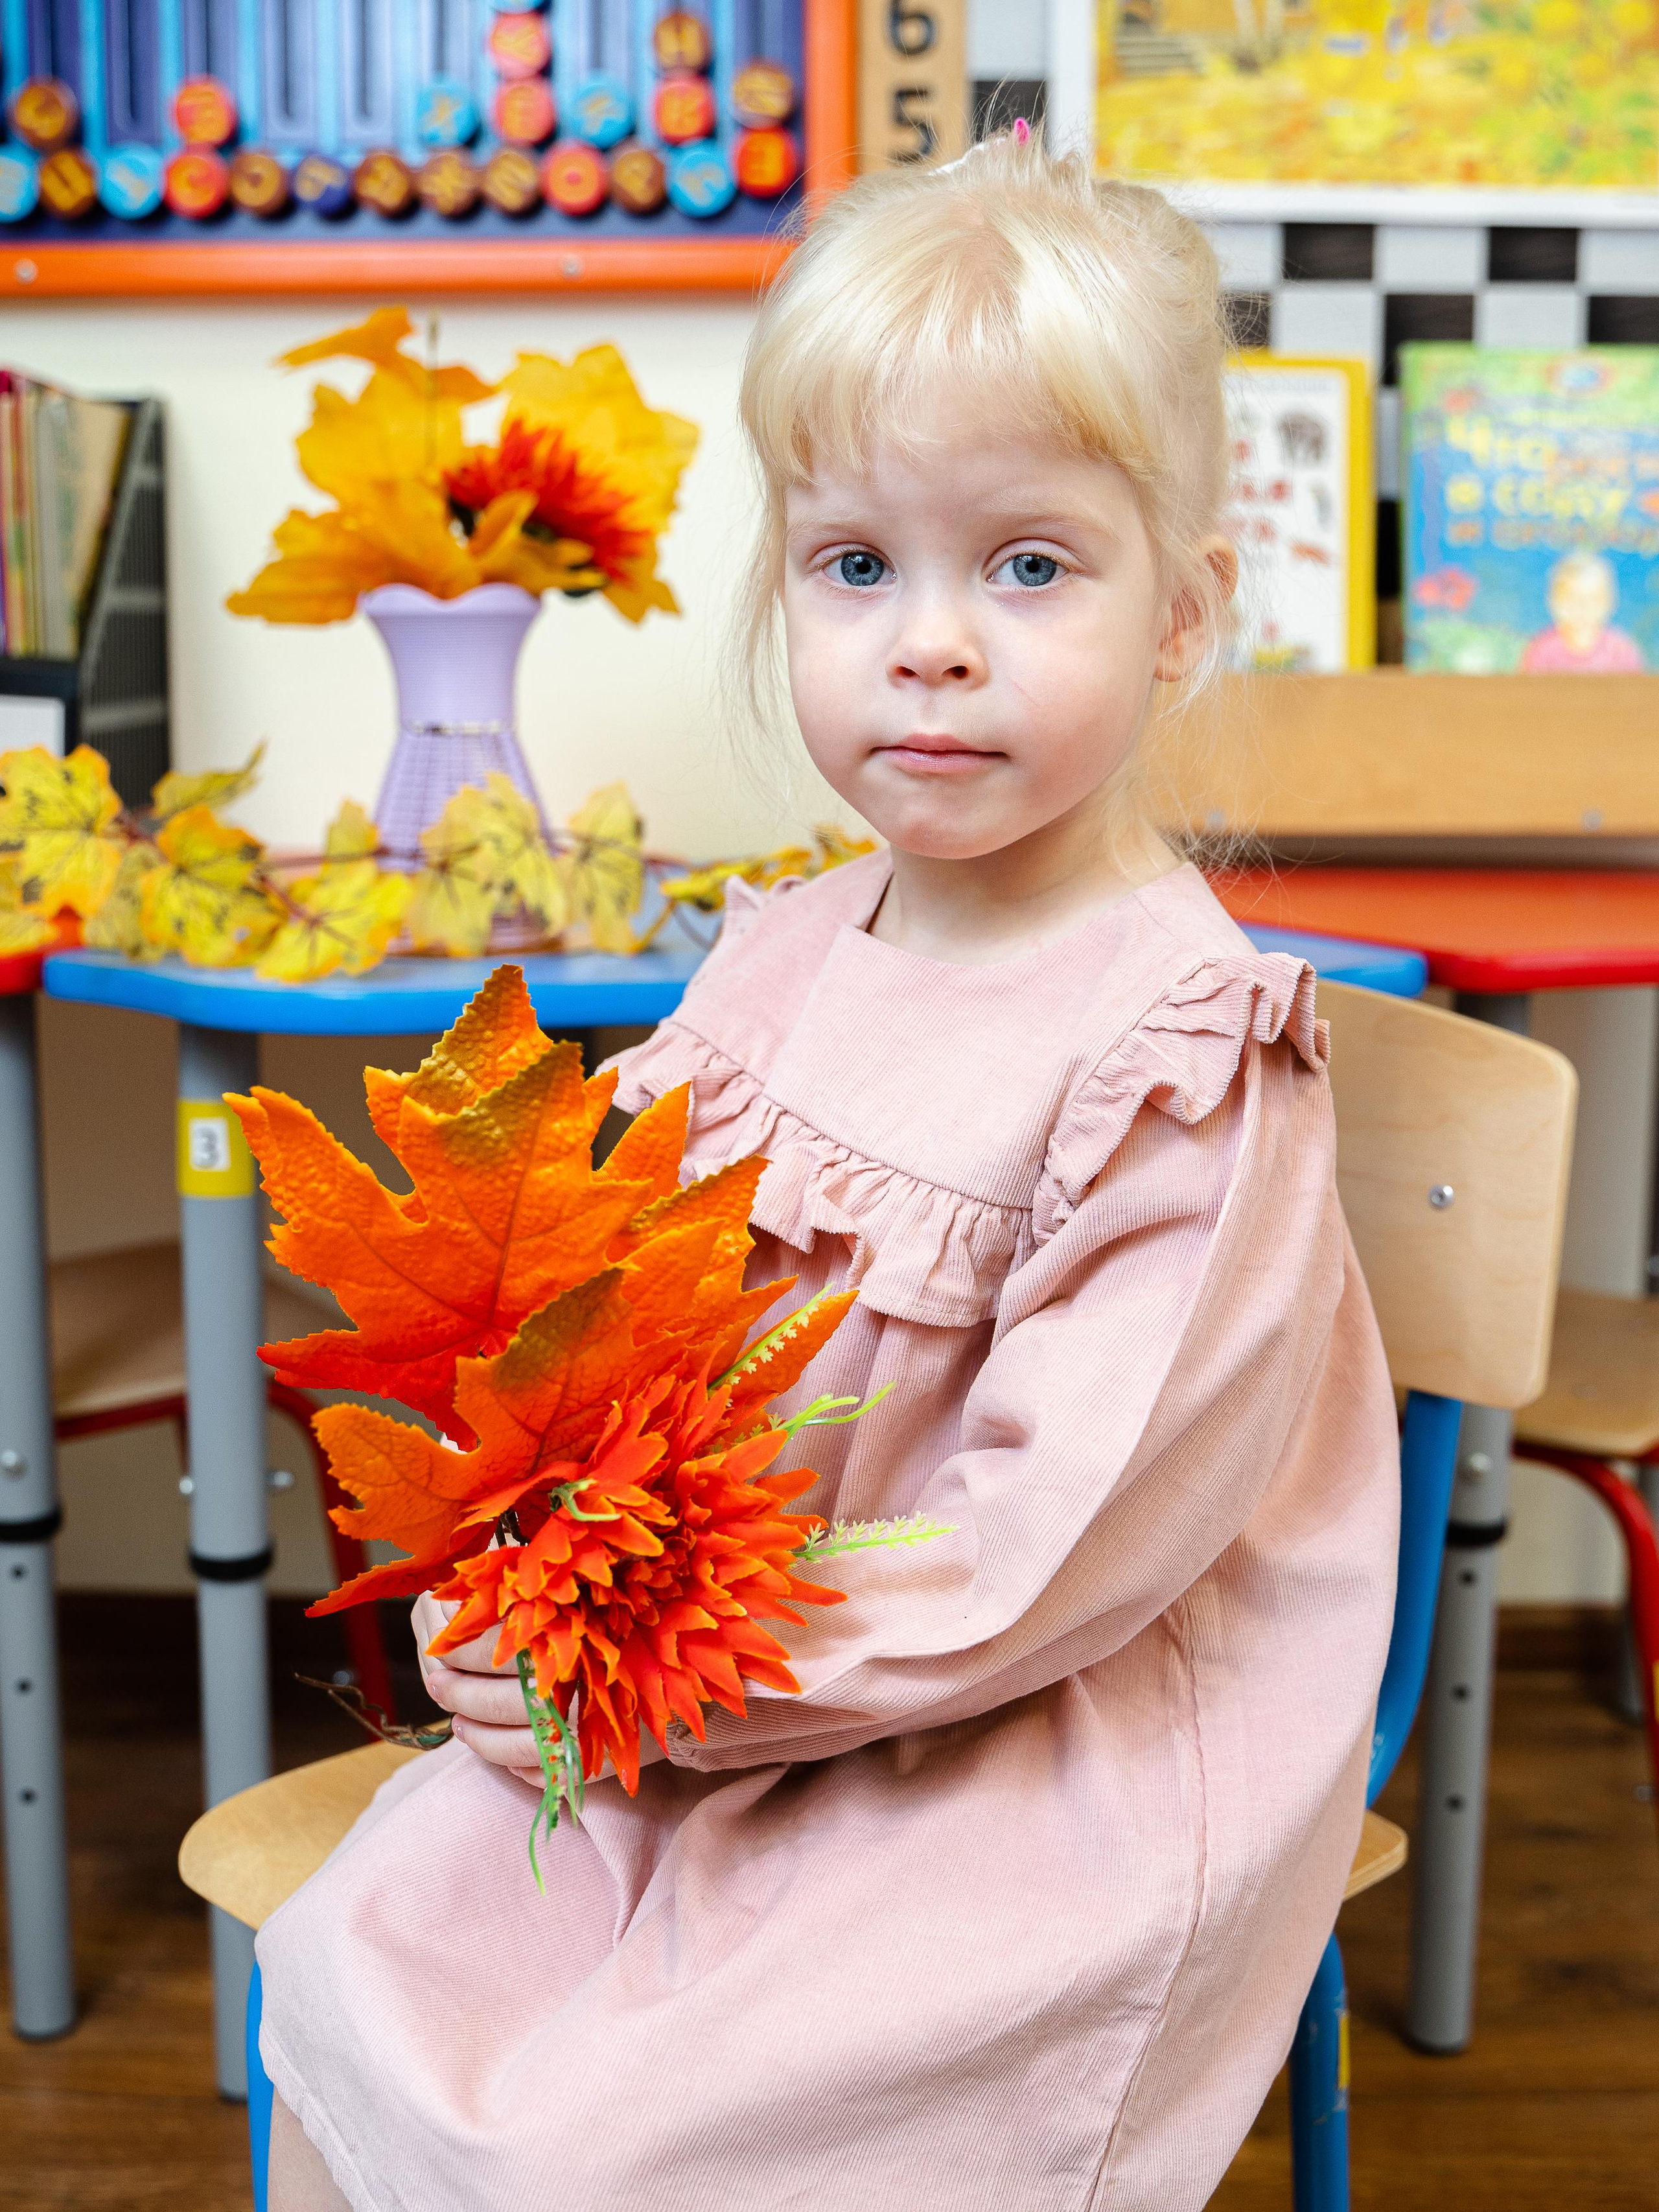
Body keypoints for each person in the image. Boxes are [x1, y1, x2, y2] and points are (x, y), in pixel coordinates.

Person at [261, 132, 1398, 2211]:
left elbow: (1041, 1563)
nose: (929, 643)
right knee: (353, 1960)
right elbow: (609, 1360)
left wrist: (648, 1703)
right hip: (734, 1678)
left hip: (1034, 1733)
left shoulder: (1175, 1063)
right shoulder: (781, 946)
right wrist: (525, 1593)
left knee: (611, 2134)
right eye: (856, 564)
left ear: (1182, 617)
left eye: (1028, 566)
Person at [1520, 550, 1645, 673]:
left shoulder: (1620, 650)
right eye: (1572, 598)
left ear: (1609, 602)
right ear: (1554, 601)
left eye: (1592, 599)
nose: (1582, 607)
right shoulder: (1542, 650)